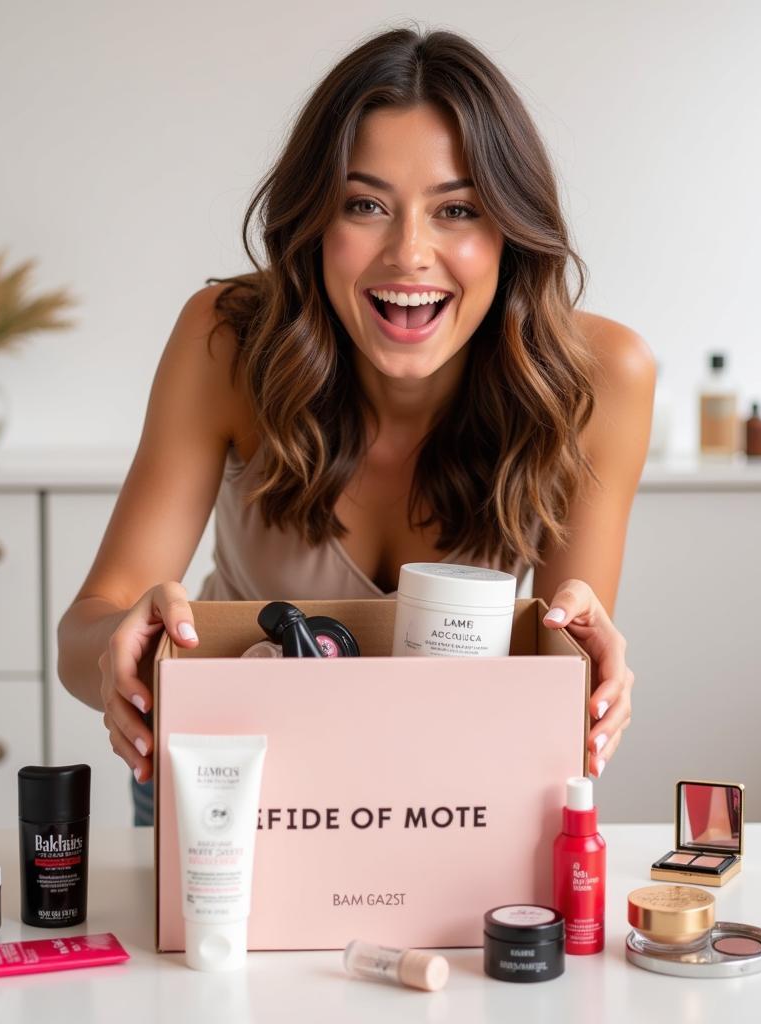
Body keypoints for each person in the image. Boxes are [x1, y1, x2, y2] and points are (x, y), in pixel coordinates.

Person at [57, 26, 655, 827]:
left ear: (510, 230)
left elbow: (555, 680)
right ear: (315, 222)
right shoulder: (228, 341)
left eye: (458, 210)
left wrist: (583, 660)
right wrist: (118, 655)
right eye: (365, 205)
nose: (410, 254)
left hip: (449, 791)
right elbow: (90, 620)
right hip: (227, 785)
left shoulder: (600, 377)